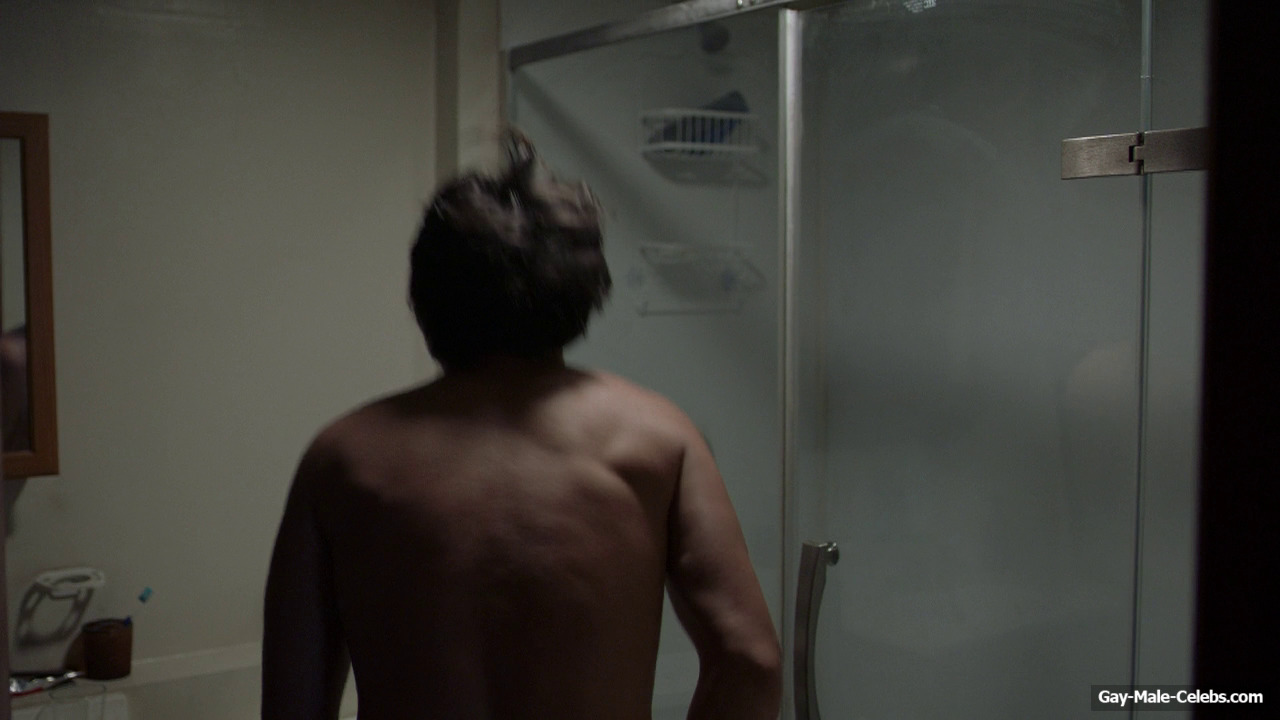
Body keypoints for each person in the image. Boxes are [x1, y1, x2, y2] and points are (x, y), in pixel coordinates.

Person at [262, 132, 781, 720]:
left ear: (428, 296)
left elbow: (292, 705)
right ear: (582, 292)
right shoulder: (658, 438)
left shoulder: (343, 459)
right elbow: (751, 661)